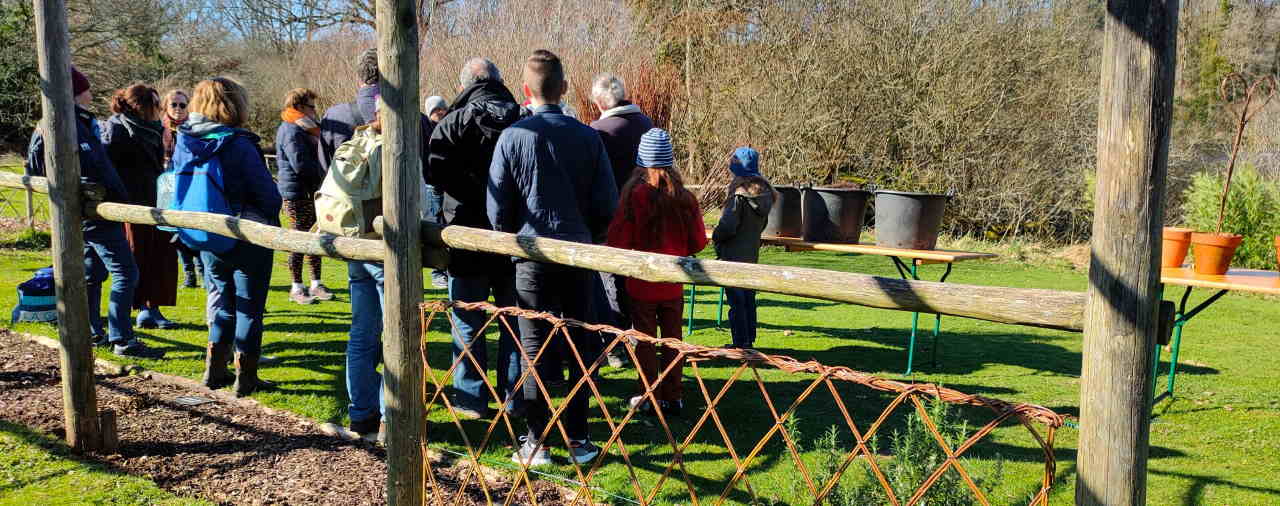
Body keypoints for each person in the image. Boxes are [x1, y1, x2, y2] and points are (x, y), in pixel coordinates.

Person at [489, 49, 617, 466]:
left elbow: (498, 207)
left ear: (526, 90)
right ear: (564, 88)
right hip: (577, 254)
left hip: (531, 257)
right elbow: (606, 205)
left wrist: (512, 238)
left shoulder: (513, 137)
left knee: (534, 348)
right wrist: (586, 235)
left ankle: (536, 441)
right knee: (580, 345)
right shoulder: (588, 138)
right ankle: (578, 439)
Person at [26, 67, 162, 358]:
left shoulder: (83, 122)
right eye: (86, 89)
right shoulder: (61, 124)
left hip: (100, 210)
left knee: (94, 273)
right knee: (126, 272)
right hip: (91, 213)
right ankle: (122, 338)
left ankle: (92, 331)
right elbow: (38, 164)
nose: (91, 93)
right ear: (76, 93)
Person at [426, 57, 522, 419]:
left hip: (465, 228)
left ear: (464, 83)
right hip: (512, 232)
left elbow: (434, 173)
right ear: (498, 80)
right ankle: (514, 396)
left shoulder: (452, 123)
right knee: (514, 318)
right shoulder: (522, 118)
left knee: (467, 318)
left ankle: (470, 399)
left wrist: (470, 194)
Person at [175, 77, 283, 396]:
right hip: (247, 234)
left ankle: (215, 370)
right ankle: (245, 377)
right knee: (249, 307)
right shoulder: (238, 143)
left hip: (207, 232)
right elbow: (266, 193)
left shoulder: (186, 140)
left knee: (222, 300)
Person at [320, 48, 445, 288]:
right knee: (396, 301)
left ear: (359, 76)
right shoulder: (414, 118)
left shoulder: (336, 116)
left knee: (362, 302)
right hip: (398, 228)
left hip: (352, 223)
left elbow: (327, 172)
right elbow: (430, 171)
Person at [606, 128, 706, 417]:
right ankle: (674, 396)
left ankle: (648, 395)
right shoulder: (685, 197)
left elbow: (617, 240)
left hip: (642, 283)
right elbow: (698, 241)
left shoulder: (633, 196)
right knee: (673, 340)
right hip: (673, 282)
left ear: (642, 160)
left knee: (646, 342)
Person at [589, 72, 655, 368]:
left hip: (611, 216)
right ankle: (642, 341)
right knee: (638, 281)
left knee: (610, 281)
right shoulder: (647, 125)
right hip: (647, 215)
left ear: (601, 101)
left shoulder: (599, 132)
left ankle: (616, 345)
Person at [103, 84, 180, 330]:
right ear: (141, 106)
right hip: (131, 203)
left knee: (160, 256)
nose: (159, 109)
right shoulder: (117, 128)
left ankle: (153, 307)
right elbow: (109, 167)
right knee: (137, 256)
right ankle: (137, 310)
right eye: (154, 105)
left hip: (157, 199)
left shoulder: (157, 129)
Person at [711, 147, 776, 349]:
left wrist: (716, 235)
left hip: (733, 256)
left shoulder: (739, 195)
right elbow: (763, 225)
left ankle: (740, 343)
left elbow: (729, 225)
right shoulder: (765, 194)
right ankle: (748, 340)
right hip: (751, 254)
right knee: (748, 299)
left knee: (736, 302)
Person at [276, 88, 332, 304]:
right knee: (298, 238)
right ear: (298, 107)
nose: (314, 111)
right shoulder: (291, 130)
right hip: (297, 192)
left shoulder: (305, 129)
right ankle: (296, 286)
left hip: (309, 191)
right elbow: (300, 164)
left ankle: (316, 283)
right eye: (310, 106)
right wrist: (322, 177)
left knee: (313, 237)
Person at [161, 89, 203, 289]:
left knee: (195, 225)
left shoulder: (196, 128)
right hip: (168, 183)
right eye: (173, 105)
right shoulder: (160, 129)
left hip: (192, 182)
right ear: (166, 107)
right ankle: (188, 272)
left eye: (182, 105)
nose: (178, 109)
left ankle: (201, 268)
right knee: (175, 230)